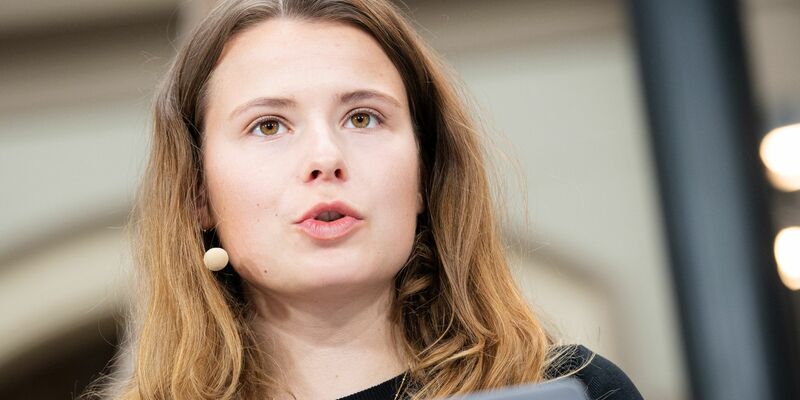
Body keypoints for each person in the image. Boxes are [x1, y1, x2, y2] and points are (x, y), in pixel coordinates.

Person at [88, 0, 644, 399]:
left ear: (425, 173)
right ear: (197, 194)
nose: (325, 157)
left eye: (362, 117)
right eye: (269, 126)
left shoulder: (576, 390)